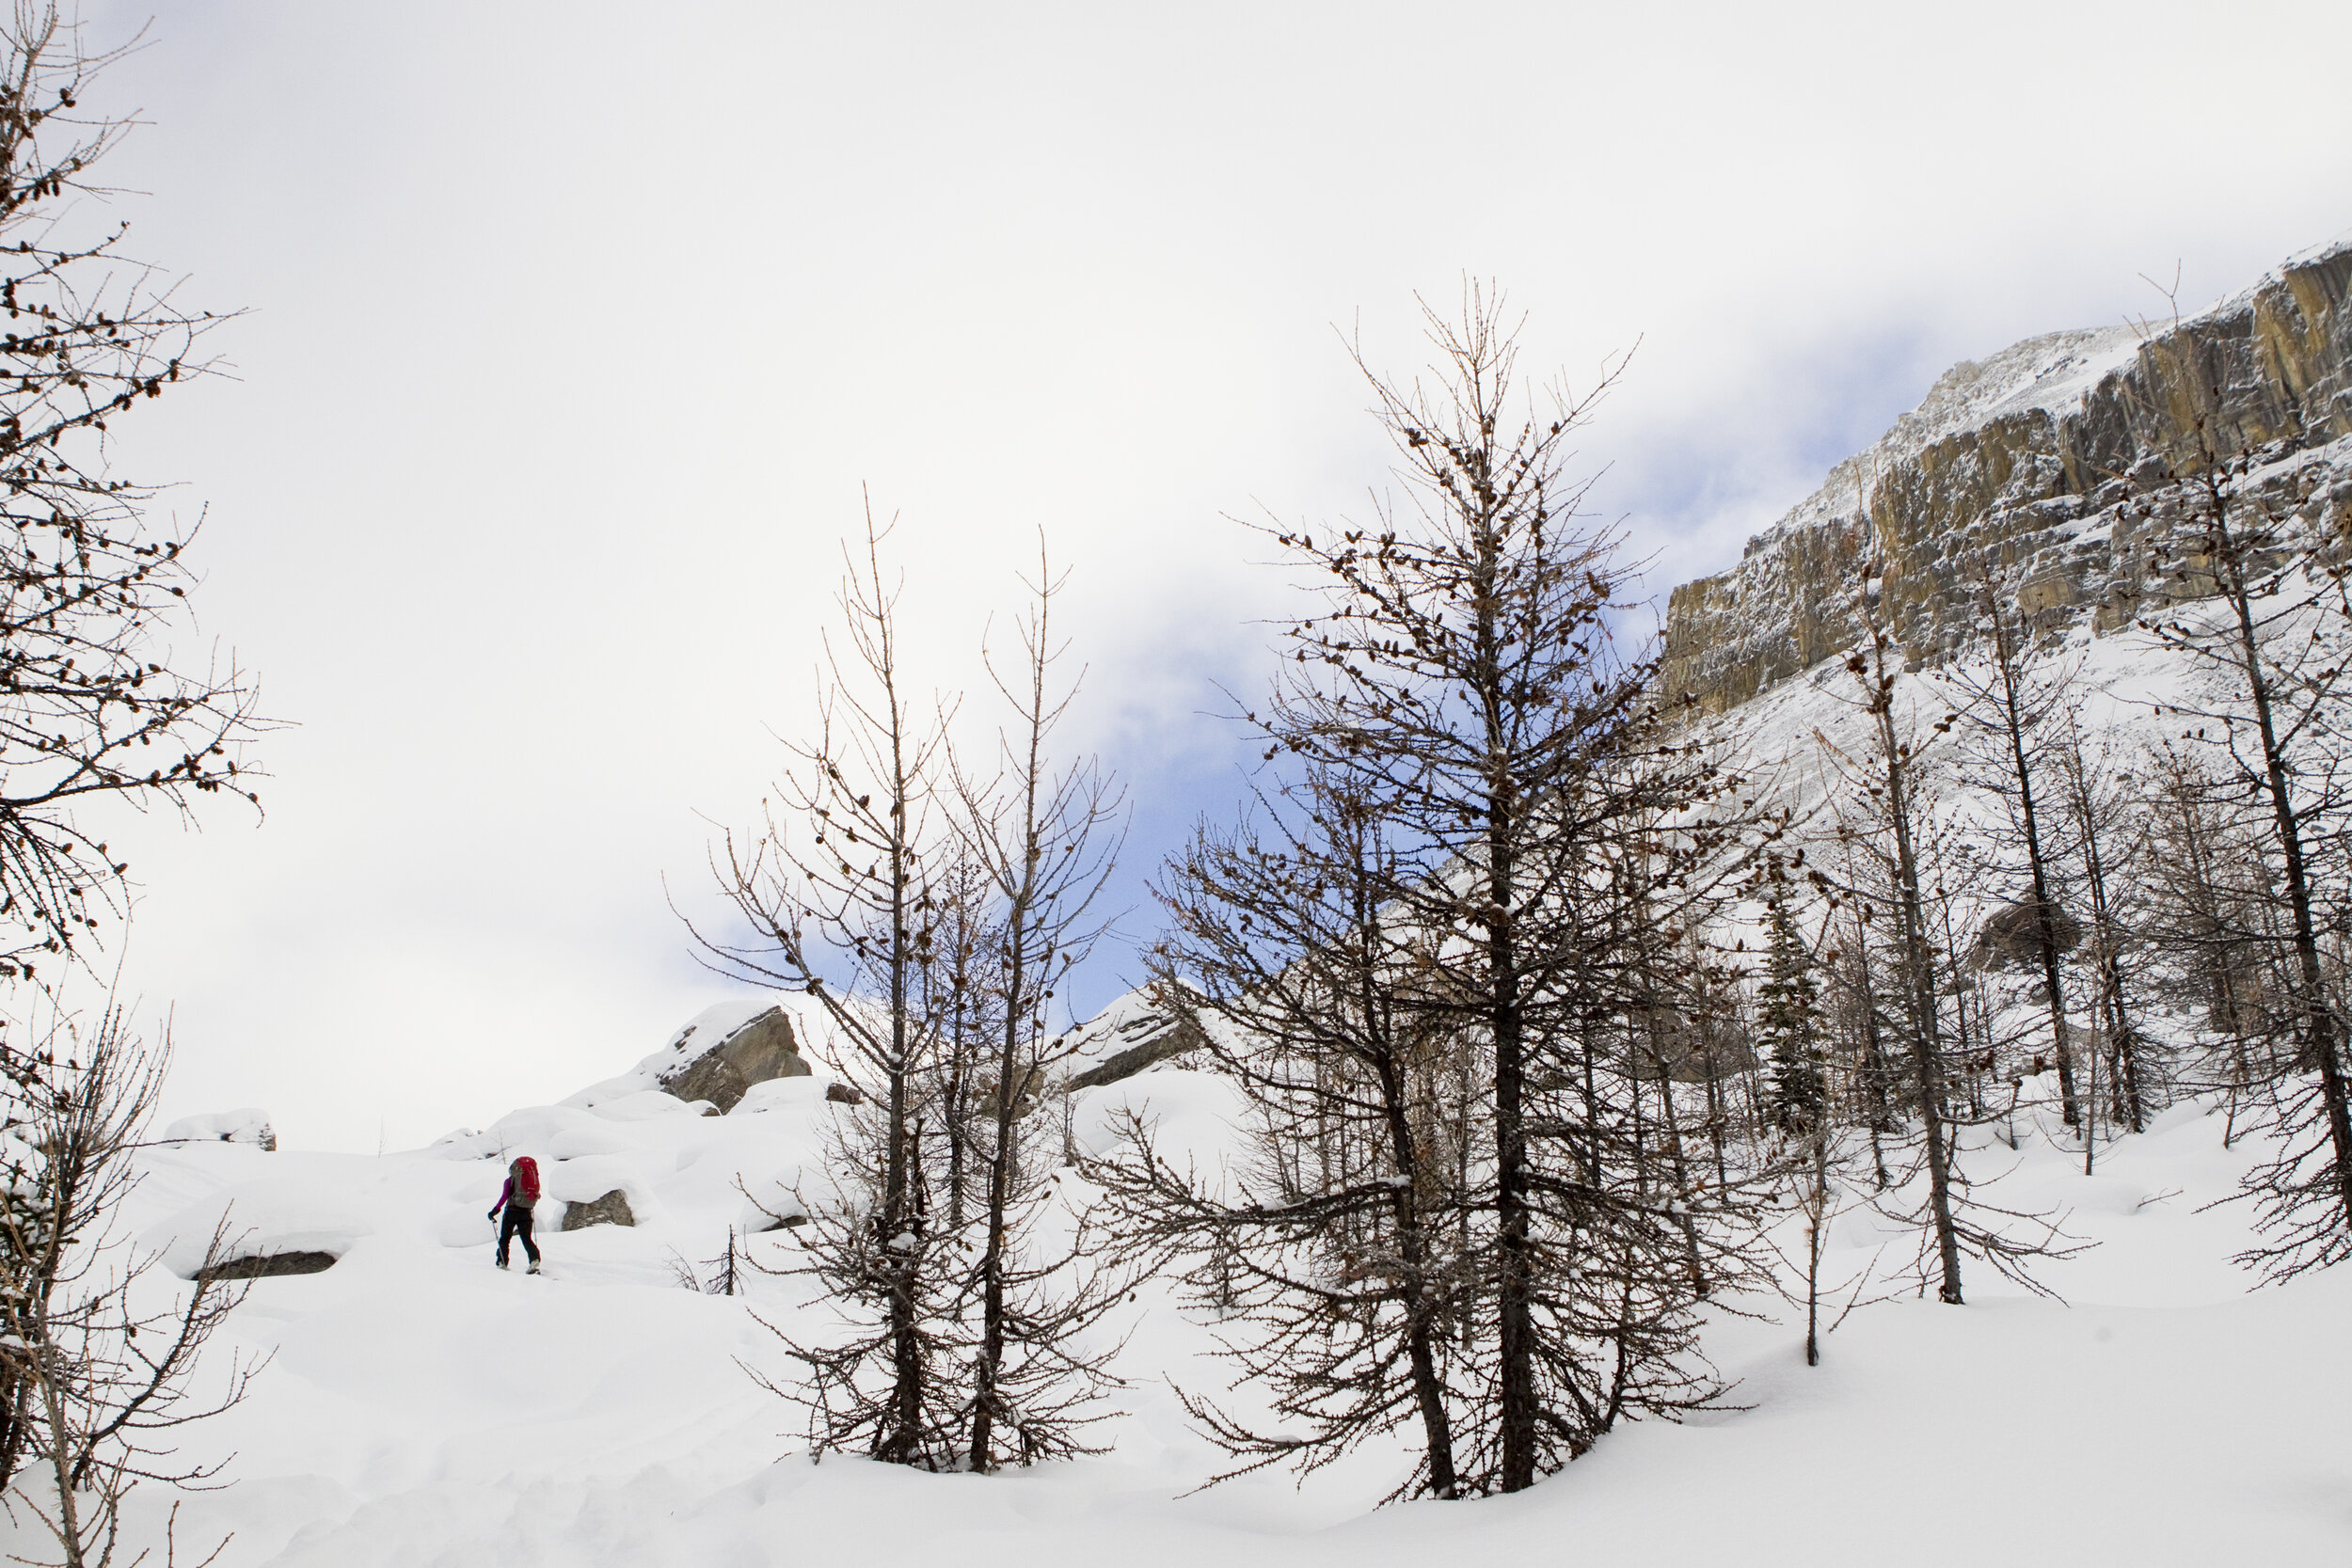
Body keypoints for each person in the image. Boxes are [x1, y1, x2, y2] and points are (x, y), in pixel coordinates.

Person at [488, 1154, 543, 1273]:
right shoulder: (531, 1181)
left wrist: (495, 1210)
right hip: (526, 1212)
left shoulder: (510, 1181)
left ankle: (502, 1262)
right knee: (526, 1239)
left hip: (511, 1212)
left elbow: (504, 1197)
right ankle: (534, 1260)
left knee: (505, 1239)